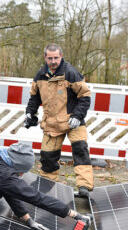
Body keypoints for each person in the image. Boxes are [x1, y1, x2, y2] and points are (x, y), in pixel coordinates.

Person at [24, 43, 94, 198]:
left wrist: (77, 116)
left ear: (61, 56)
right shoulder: (40, 75)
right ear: (45, 57)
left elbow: (85, 97)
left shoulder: (71, 73)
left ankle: (84, 187)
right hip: (52, 123)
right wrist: (30, 113)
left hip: (73, 122)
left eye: (56, 57)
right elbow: (34, 98)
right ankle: (47, 187)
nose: (53, 61)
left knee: (80, 151)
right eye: (50, 58)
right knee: (48, 157)